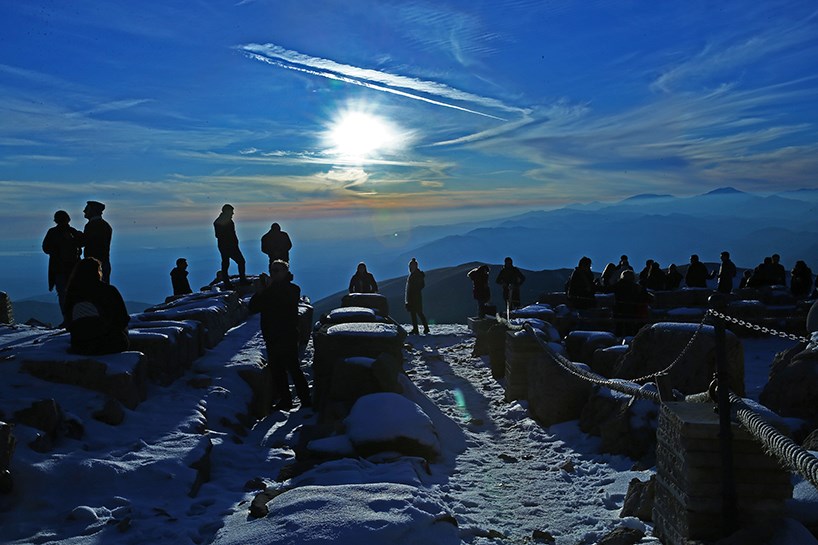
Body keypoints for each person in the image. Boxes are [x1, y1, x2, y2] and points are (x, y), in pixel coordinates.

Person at [248, 260, 310, 411]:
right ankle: (286, 400)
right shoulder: (269, 290)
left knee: (293, 367)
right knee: (277, 370)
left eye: (277, 271)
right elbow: (253, 308)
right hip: (271, 335)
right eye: (272, 270)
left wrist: (266, 290)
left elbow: (282, 302)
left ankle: (306, 400)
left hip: (287, 334)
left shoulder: (293, 289)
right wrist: (260, 292)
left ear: (285, 272)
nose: (273, 273)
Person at [64, 257, 130, 355]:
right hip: (108, 344)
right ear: (98, 272)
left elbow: (68, 323)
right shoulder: (109, 291)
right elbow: (123, 318)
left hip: (80, 345)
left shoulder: (72, 293)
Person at [42, 210, 83, 324]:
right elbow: (46, 248)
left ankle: (70, 319)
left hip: (64, 269)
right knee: (67, 295)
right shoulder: (68, 232)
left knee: (65, 295)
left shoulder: (67, 232)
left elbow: (46, 248)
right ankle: (69, 319)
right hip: (65, 269)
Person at [213, 204, 247, 288]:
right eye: (231, 211)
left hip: (226, 245)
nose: (233, 213)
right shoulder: (222, 221)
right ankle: (240, 281)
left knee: (226, 263)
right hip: (229, 246)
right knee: (240, 261)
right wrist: (231, 242)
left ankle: (227, 282)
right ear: (227, 211)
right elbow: (219, 235)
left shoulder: (221, 221)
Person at [613, 269, 653, 337]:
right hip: (632, 311)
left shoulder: (617, 285)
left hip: (619, 310)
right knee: (630, 330)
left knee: (619, 329)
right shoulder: (636, 287)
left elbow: (606, 289)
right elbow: (646, 297)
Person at [81, 200, 113, 284]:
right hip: (104, 263)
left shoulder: (92, 225)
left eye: (87, 209)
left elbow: (84, 241)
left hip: (95, 266)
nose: (84, 211)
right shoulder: (105, 225)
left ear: (93, 211)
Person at [405, 258, 430, 335]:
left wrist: (415, 290)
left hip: (415, 297)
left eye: (411, 266)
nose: (410, 268)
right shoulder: (413, 275)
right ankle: (417, 329)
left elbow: (421, 285)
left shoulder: (416, 275)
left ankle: (425, 328)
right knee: (414, 313)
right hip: (413, 297)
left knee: (418, 312)